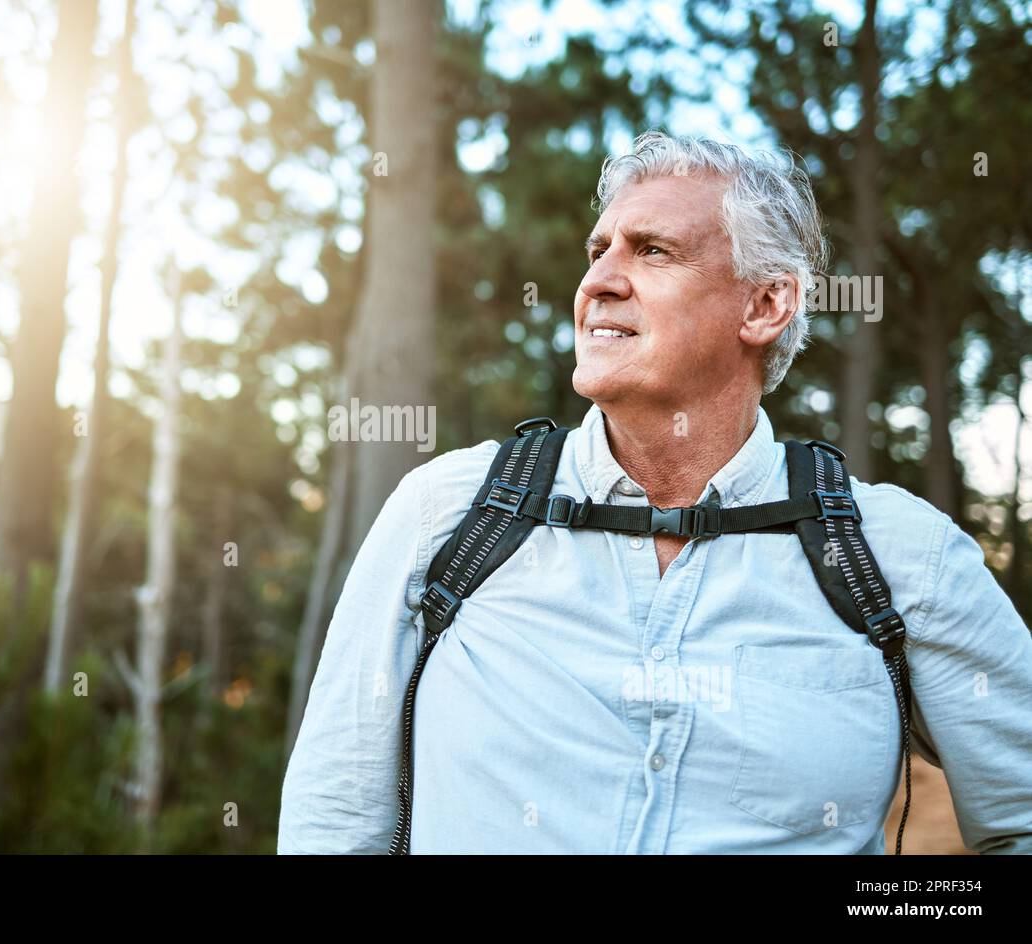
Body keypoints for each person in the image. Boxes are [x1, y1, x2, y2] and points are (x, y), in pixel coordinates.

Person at [277, 131, 1032, 854]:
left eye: (653, 251)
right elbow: (334, 826)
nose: (599, 280)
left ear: (766, 306)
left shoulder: (902, 555)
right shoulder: (446, 515)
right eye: (598, 250)